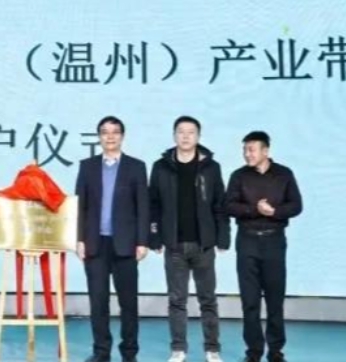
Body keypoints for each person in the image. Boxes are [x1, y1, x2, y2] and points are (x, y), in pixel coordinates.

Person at [149, 116, 230, 362]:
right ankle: (178, 349)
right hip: (174, 245)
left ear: (198, 136)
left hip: (203, 245)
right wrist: (154, 237)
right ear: (174, 135)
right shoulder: (161, 167)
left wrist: (223, 237)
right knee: (177, 300)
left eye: (191, 132)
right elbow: (153, 205)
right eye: (181, 132)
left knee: (208, 300)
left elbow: (219, 204)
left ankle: (212, 349)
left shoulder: (211, 167)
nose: (185, 136)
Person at [75, 116, 149, 362]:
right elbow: (80, 206)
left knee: (128, 303)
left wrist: (142, 241)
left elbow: (143, 207)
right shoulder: (87, 166)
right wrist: (79, 239)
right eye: (105, 132)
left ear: (122, 136)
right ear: (99, 137)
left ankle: (129, 352)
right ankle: (101, 351)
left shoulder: (136, 167)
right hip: (95, 244)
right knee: (98, 302)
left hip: (126, 244)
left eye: (115, 132)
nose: (110, 136)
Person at [224, 131, 302, 362]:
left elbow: (296, 205)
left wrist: (274, 212)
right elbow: (228, 206)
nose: (247, 154)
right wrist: (254, 210)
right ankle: (253, 352)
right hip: (247, 241)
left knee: (274, 300)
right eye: (244, 150)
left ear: (265, 151)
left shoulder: (284, 174)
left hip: (274, 241)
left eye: (251, 149)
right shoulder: (238, 176)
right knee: (250, 301)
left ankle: (275, 351)